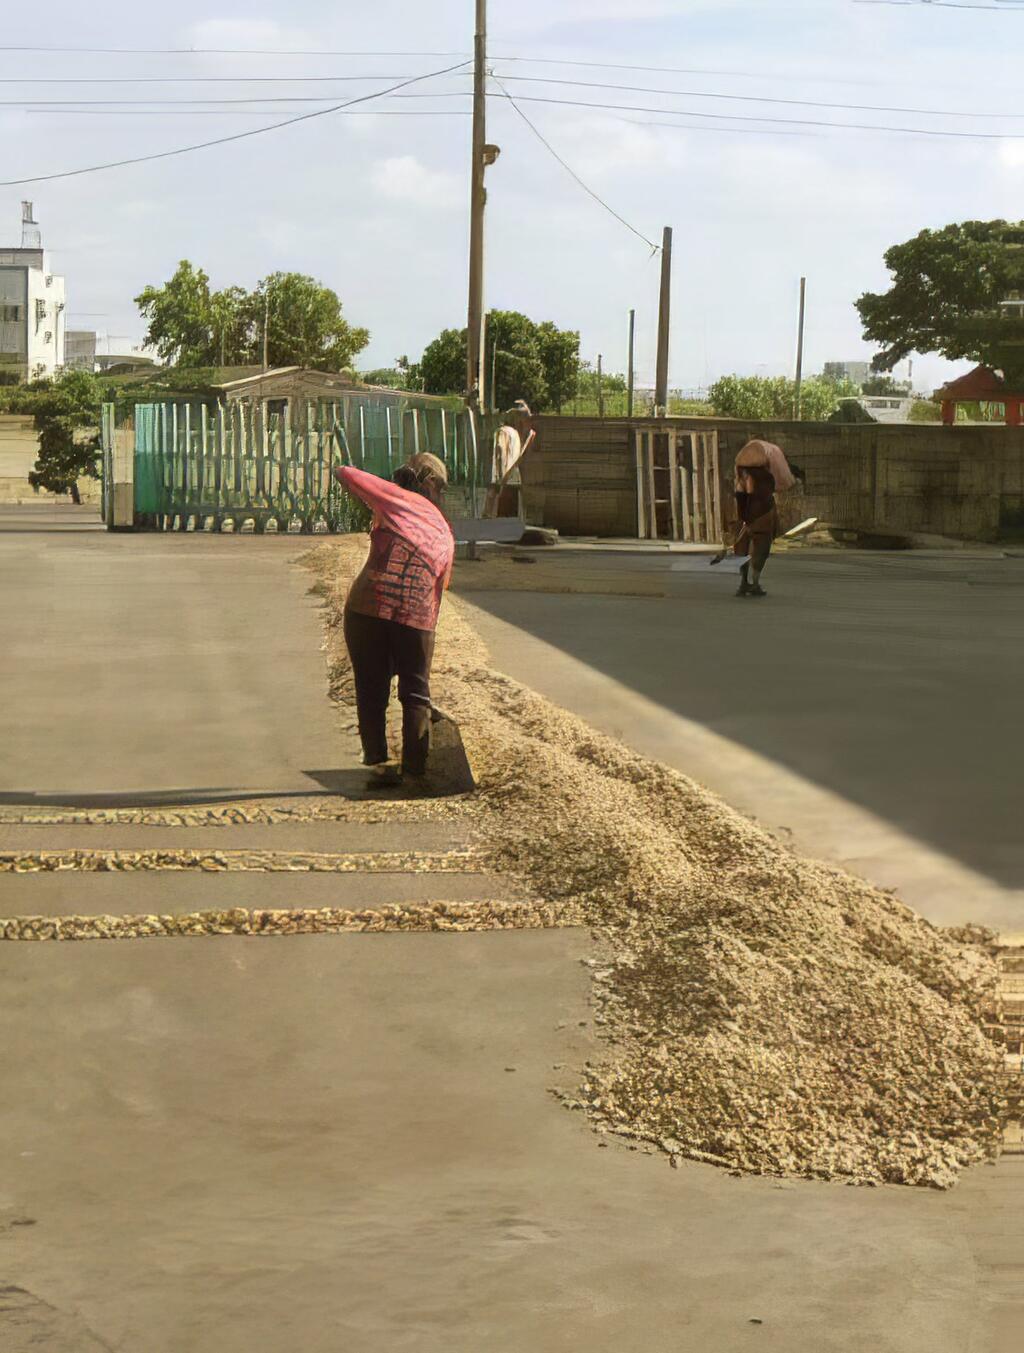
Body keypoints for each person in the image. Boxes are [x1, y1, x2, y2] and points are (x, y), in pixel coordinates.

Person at [333, 453, 454, 787]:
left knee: (371, 689)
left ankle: (377, 760)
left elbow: (345, 472)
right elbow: (439, 587)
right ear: (433, 485)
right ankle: (414, 770)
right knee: (415, 693)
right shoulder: (443, 528)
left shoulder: (393, 499)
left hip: (368, 609)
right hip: (416, 616)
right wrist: (426, 636)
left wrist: (377, 496)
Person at [733, 464, 779, 598]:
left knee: (742, 550)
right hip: (761, 520)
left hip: (749, 520)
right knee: (760, 551)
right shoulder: (766, 479)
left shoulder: (743, 479)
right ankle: (754, 583)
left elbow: (740, 499)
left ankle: (745, 582)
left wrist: (742, 519)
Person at [484, 401, 535, 519]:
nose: (522, 421)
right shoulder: (508, 432)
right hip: (508, 479)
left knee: (502, 516)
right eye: (521, 417)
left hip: (506, 479)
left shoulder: (506, 432)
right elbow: (501, 451)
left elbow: (502, 452)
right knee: (507, 517)